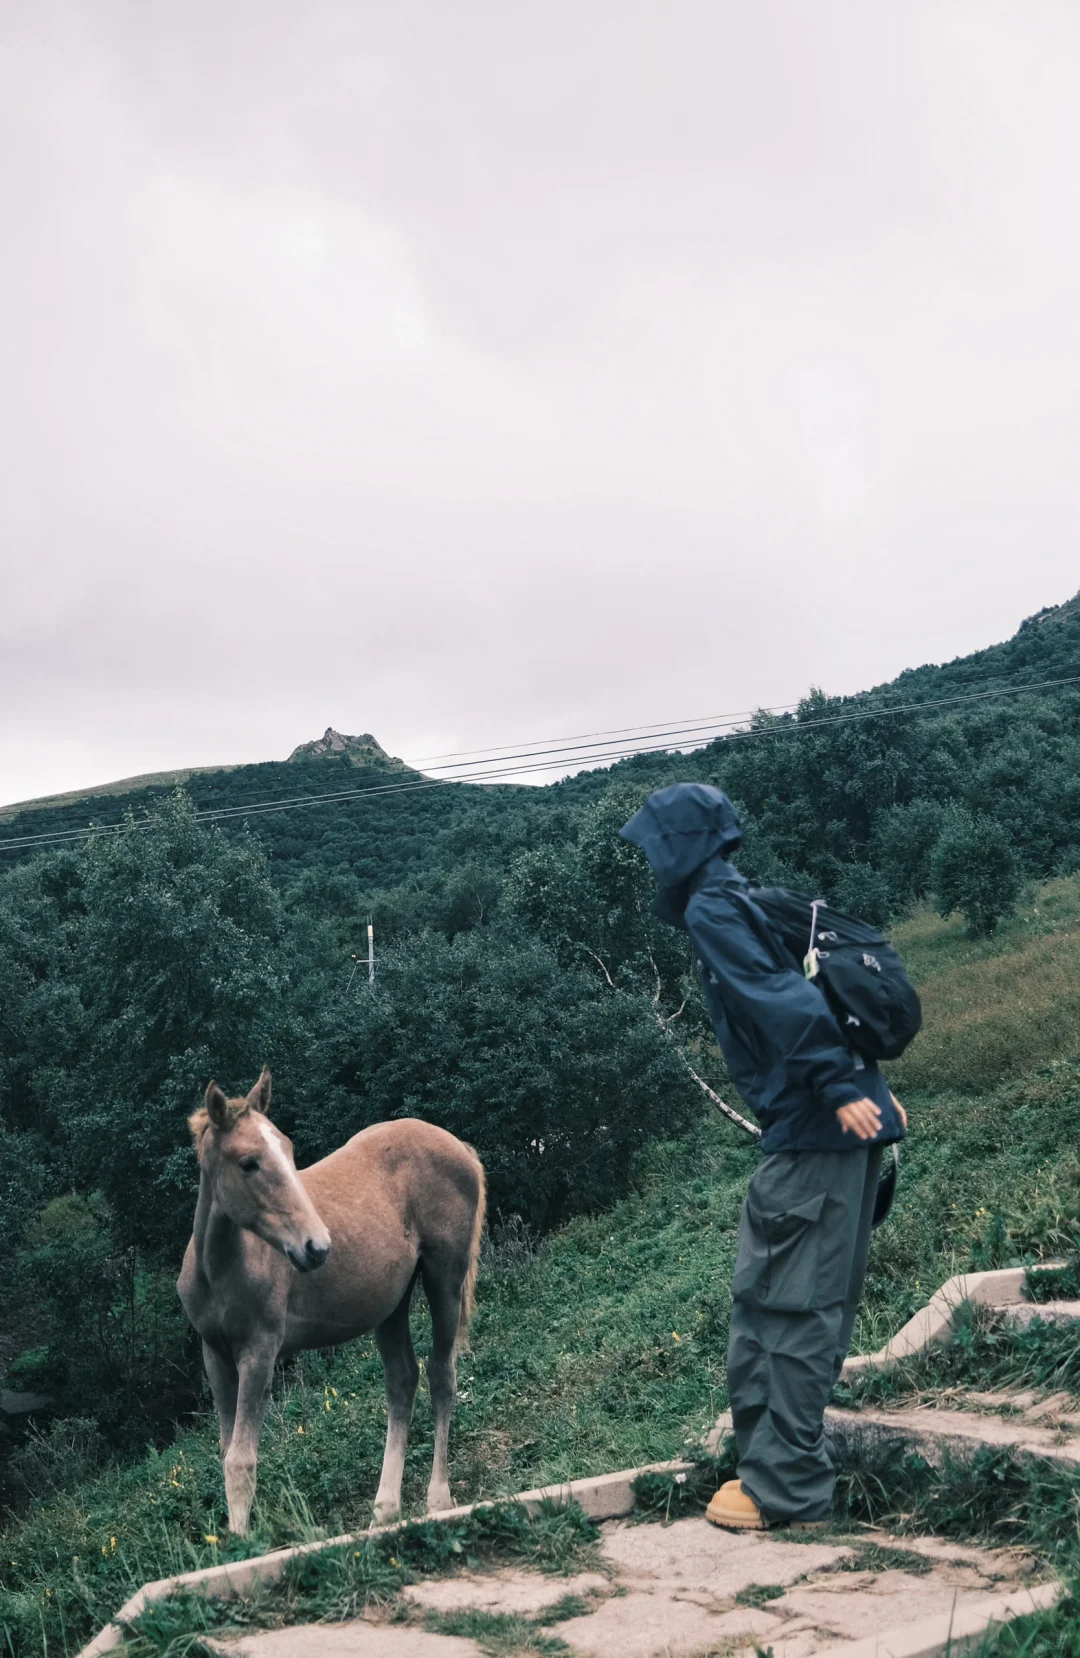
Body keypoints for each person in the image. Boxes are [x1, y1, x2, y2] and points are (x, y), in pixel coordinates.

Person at [620, 782, 906, 1531]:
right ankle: (778, 1465)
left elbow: (781, 997)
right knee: (799, 1304)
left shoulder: (716, 910)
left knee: (783, 1309)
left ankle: (785, 1486)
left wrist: (843, 1086)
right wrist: (865, 1090)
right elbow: (818, 993)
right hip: (837, 1128)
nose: (650, 863)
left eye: (654, 847)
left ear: (679, 847)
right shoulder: (754, 899)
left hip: (816, 1132)